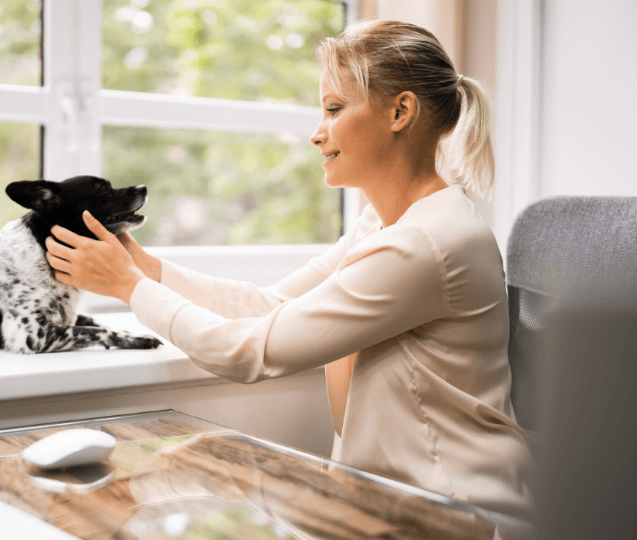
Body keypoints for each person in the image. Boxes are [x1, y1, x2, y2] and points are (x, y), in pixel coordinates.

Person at [44, 20, 532, 519]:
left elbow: (247, 351)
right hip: (381, 499)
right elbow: (270, 307)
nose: (317, 134)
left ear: (400, 112)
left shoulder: (427, 243)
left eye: (334, 109)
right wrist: (146, 267)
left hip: (455, 513)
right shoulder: (382, 226)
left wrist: (129, 286)